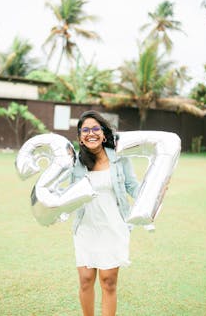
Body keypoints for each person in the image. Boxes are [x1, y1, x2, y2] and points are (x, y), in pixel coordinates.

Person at [71, 110, 139, 316]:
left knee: (108, 282)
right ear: (80, 137)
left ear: (103, 133)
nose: (90, 133)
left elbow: (133, 187)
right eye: (85, 130)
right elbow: (68, 193)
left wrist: (155, 190)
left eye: (95, 129)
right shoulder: (76, 163)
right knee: (85, 281)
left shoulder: (120, 159)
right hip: (86, 227)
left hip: (113, 227)